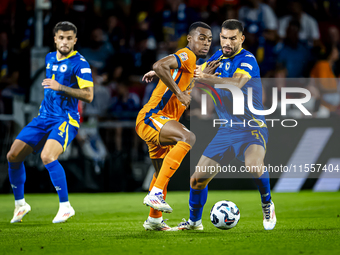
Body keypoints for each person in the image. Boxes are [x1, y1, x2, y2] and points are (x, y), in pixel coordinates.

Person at [172, 19, 276, 231]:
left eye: (232, 38)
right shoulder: (218, 56)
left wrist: (206, 78)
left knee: (254, 166)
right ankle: (194, 222)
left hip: (251, 128)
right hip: (226, 130)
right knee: (196, 180)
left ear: (242, 39)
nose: (227, 43)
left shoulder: (248, 59)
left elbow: (235, 84)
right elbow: (192, 71)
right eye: (224, 38)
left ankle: (267, 203)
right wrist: (160, 71)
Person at [6, 21, 94, 223]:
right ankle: (20, 205)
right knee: (13, 155)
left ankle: (66, 206)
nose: (65, 42)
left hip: (65, 119)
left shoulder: (80, 63)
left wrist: (60, 87)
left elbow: (89, 96)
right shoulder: (49, 57)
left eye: (69, 38)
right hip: (43, 117)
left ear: (75, 40)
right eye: (61, 38)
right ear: (55, 39)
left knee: (47, 156)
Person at [136, 21, 212, 231]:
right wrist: (178, 91)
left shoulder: (190, 66)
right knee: (188, 138)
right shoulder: (187, 55)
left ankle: (153, 220)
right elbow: (159, 65)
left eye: (209, 40)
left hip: (161, 122)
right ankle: (156, 194)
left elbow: (164, 68)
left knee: (161, 173)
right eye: (202, 38)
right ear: (190, 39)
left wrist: (161, 74)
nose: (206, 43)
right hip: (153, 117)